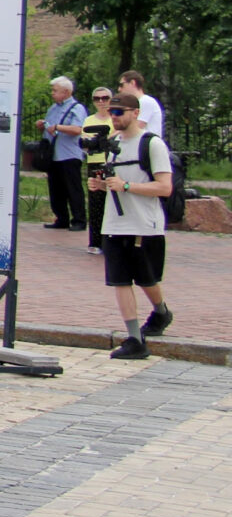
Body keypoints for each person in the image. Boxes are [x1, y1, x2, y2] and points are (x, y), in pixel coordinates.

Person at [89, 91, 175, 358]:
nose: (113, 117)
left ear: (135, 113)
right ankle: (135, 339)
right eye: (111, 113)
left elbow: (165, 187)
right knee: (120, 281)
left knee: (147, 279)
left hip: (144, 225)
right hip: (114, 224)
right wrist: (101, 185)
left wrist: (127, 186)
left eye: (119, 113)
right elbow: (114, 180)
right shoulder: (112, 145)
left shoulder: (152, 144)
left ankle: (160, 311)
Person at [41, 77, 89, 231]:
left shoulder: (77, 108)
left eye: (55, 90)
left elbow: (77, 129)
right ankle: (61, 218)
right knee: (56, 189)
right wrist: (42, 125)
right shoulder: (53, 108)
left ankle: (79, 220)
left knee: (73, 189)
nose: (52, 93)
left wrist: (58, 127)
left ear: (66, 92)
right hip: (54, 155)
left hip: (69, 154)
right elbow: (49, 127)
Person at [82, 86, 115, 256]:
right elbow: (86, 143)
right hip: (94, 163)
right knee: (95, 202)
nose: (101, 101)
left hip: (110, 162)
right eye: (97, 98)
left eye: (105, 98)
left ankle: (111, 239)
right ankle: (95, 241)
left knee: (112, 200)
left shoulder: (114, 119)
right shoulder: (89, 120)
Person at [118, 70, 164, 138]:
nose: (119, 89)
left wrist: (111, 137)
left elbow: (136, 127)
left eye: (121, 85)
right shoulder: (137, 103)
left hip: (147, 146)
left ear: (132, 83)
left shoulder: (145, 101)